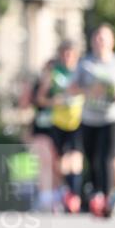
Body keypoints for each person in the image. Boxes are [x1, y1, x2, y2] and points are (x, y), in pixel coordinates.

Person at [68, 24, 115, 216]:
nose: (100, 42)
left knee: (107, 157)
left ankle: (107, 198)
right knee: (92, 158)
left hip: (114, 117)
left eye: (104, 38)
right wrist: (88, 91)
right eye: (97, 38)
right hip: (90, 117)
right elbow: (71, 88)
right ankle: (96, 193)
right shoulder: (85, 64)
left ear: (112, 41)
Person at [36, 41, 84, 213]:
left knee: (76, 158)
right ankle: (65, 191)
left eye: (71, 54)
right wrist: (54, 101)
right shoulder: (53, 73)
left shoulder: (83, 70)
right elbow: (40, 98)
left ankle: (75, 196)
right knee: (62, 163)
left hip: (79, 121)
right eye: (65, 53)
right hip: (59, 122)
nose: (68, 57)